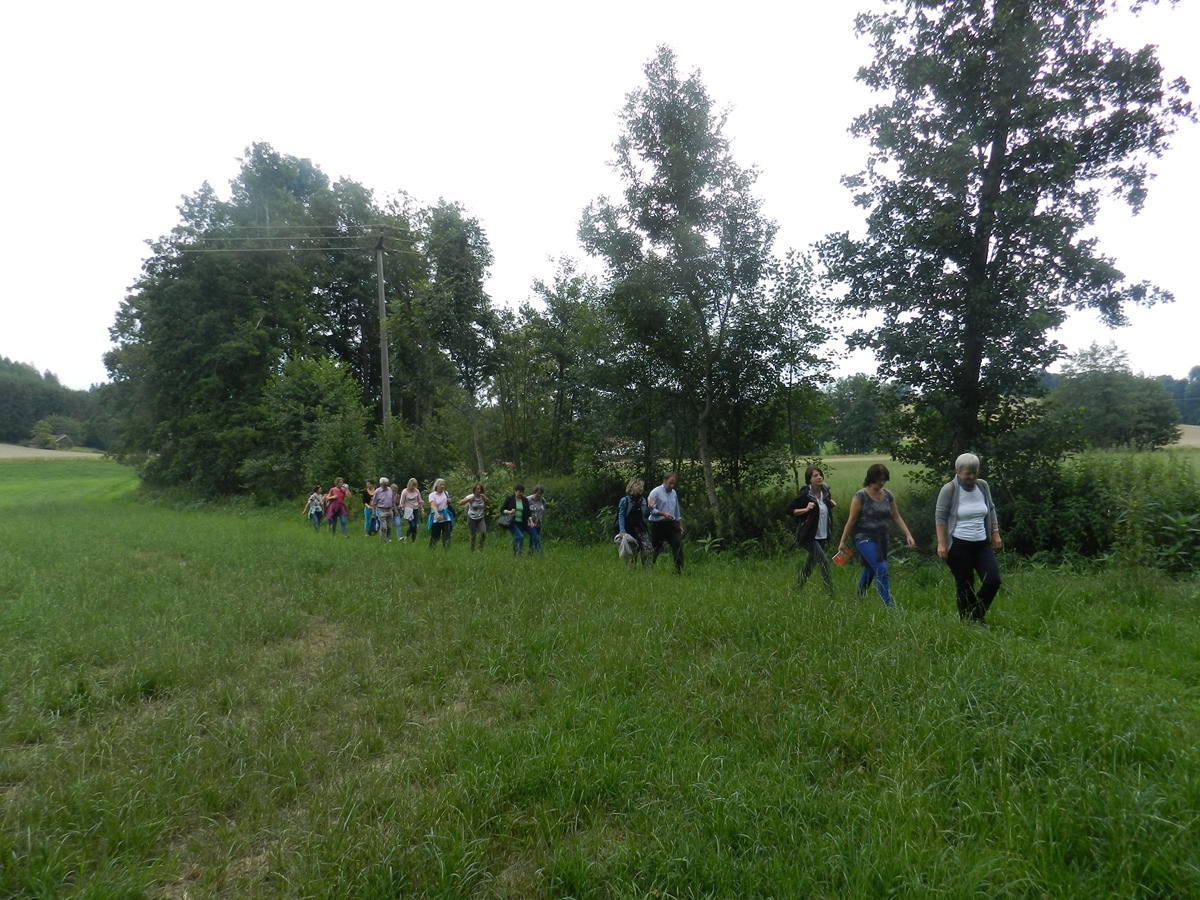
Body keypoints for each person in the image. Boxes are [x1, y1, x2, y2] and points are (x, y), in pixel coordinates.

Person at [935, 452, 1003, 627]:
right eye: (968, 473)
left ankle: (974, 615)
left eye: (975, 472)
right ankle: (969, 623)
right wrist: (941, 543)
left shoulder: (983, 486)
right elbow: (940, 518)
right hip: (958, 544)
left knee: (993, 580)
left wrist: (995, 533)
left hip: (982, 543)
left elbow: (991, 508)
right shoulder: (949, 489)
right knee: (965, 585)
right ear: (958, 471)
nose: (972, 477)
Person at [837, 464, 915, 607]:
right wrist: (842, 541)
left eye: (884, 480)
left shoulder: (888, 495)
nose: (881, 483)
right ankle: (888, 605)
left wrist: (908, 534)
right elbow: (851, 520)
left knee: (870, 569)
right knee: (881, 567)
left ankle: (857, 600)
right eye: (879, 480)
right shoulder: (861, 496)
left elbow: (896, 517)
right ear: (871, 479)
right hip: (863, 537)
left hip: (881, 538)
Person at [786, 465, 836, 595]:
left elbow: (821, 513)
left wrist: (829, 505)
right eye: (815, 475)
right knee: (824, 562)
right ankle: (830, 594)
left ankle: (796, 589)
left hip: (822, 534)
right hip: (808, 536)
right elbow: (789, 510)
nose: (819, 477)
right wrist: (806, 509)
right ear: (809, 480)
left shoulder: (825, 493)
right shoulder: (805, 495)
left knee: (809, 565)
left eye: (820, 475)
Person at [647, 472, 684, 573]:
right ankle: (648, 568)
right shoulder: (655, 492)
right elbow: (651, 510)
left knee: (677, 545)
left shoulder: (674, 493)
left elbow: (676, 510)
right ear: (664, 481)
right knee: (655, 547)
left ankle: (679, 570)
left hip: (671, 524)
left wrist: (679, 524)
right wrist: (663, 514)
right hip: (658, 524)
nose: (672, 485)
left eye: (673, 483)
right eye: (670, 483)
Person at [616, 478, 653, 567]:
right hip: (628, 528)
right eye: (640, 487)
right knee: (631, 551)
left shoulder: (643, 500)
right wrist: (622, 530)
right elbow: (621, 516)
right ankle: (630, 570)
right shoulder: (625, 500)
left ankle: (647, 570)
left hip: (640, 528)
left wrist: (650, 508)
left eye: (642, 487)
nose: (642, 489)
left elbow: (646, 515)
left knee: (648, 548)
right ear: (633, 487)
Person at [501, 484, 533, 556]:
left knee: (516, 538)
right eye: (519, 492)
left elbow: (528, 512)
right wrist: (509, 512)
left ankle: (515, 554)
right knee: (520, 537)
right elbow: (502, 510)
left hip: (521, 522)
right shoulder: (509, 499)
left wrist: (531, 521)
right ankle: (519, 553)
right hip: (512, 522)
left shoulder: (525, 500)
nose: (520, 494)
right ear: (515, 491)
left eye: (522, 492)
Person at [458, 482, 489, 552]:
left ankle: (480, 549)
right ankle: (472, 550)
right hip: (471, 518)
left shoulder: (482, 497)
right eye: (477, 489)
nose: (479, 490)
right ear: (474, 489)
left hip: (480, 518)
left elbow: (488, 505)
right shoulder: (471, 496)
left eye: (480, 489)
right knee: (473, 535)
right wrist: (468, 500)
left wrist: (486, 500)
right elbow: (460, 503)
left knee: (483, 533)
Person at [427, 478, 453, 549]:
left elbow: (446, 503)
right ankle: (431, 549)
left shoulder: (446, 493)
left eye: (443, 485)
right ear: (436, 486)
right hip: (436, 518)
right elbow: (433, 505)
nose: (442, 486)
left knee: (446, 536)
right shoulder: (432, 495)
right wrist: (437, 514)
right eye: (441, 485)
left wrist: (449, 501)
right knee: (435, 536)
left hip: (446, 517)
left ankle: (446, 550)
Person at [371, 477, 398, 543]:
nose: (385, 486)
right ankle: (384, 541)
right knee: (384, 527)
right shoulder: (377, 491)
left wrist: (395, 509)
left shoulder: (390, 490)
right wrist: (373, 513)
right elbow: (374, 503)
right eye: (384, 484)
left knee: (389, 526)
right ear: (381, 484)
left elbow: (393, 501)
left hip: (389, 509)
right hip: (381, 510)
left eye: (386, 484)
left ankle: (386, 537)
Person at [398, 478, 424, 544]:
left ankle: (413, 541)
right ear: (409, 485)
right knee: (412, 525)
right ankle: (406, 536)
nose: (413, 487)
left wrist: (422, 509)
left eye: (415, 485)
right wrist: (403, 507)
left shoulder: (417, 491)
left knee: (415, 526)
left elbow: (420, 500)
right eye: (412, 485)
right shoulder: (405, 491)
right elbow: (401, 502)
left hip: (415, 510)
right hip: (408, 510)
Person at [526, 484, 546, 558]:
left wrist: (542, 519)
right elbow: (525, 512)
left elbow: (543, 510)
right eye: (538, 493)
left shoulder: (543, 500)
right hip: (529, 523)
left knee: (532, 539)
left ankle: (529, 555)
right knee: (536, 539)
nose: (539, 495)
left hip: (538, 523)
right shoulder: (528, 500)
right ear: (534, 492)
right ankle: (541, 557)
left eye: (540, 494)